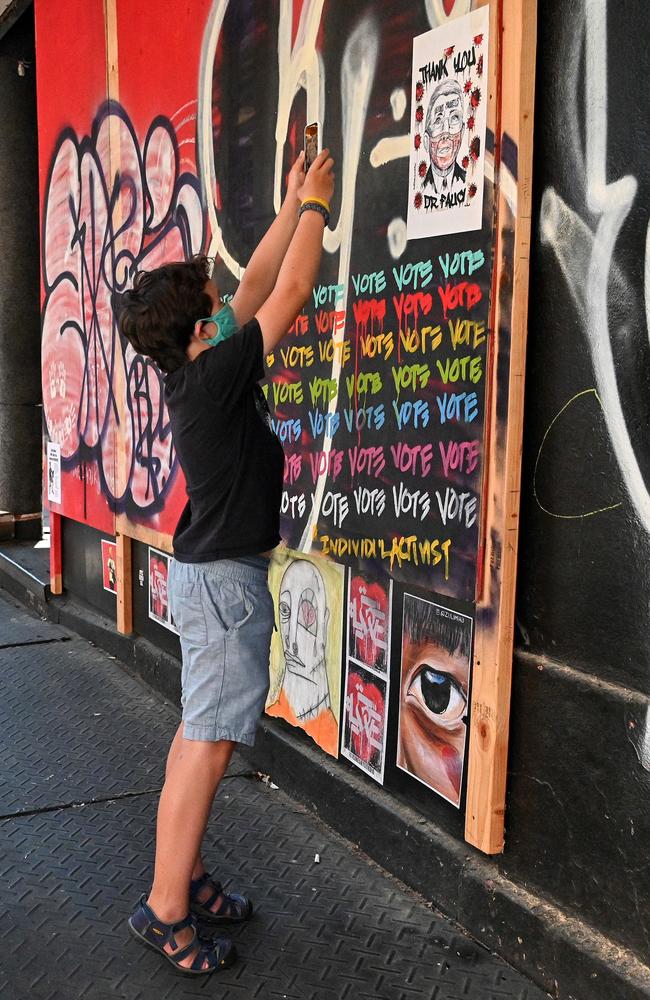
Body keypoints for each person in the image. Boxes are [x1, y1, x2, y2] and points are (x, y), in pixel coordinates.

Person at [117, 148, 335, 976]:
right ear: (204, 332)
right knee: (207, 746)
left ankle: (186, 875)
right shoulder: (218, 376)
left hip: (211, 583)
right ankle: (167, 909)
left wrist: (287, 203)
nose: (227, 305)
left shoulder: (198, 365)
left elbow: (251, 287)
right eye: (215, 306)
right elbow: (290, 292)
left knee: (195, 738)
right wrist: (317, 207)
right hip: (225, 589)